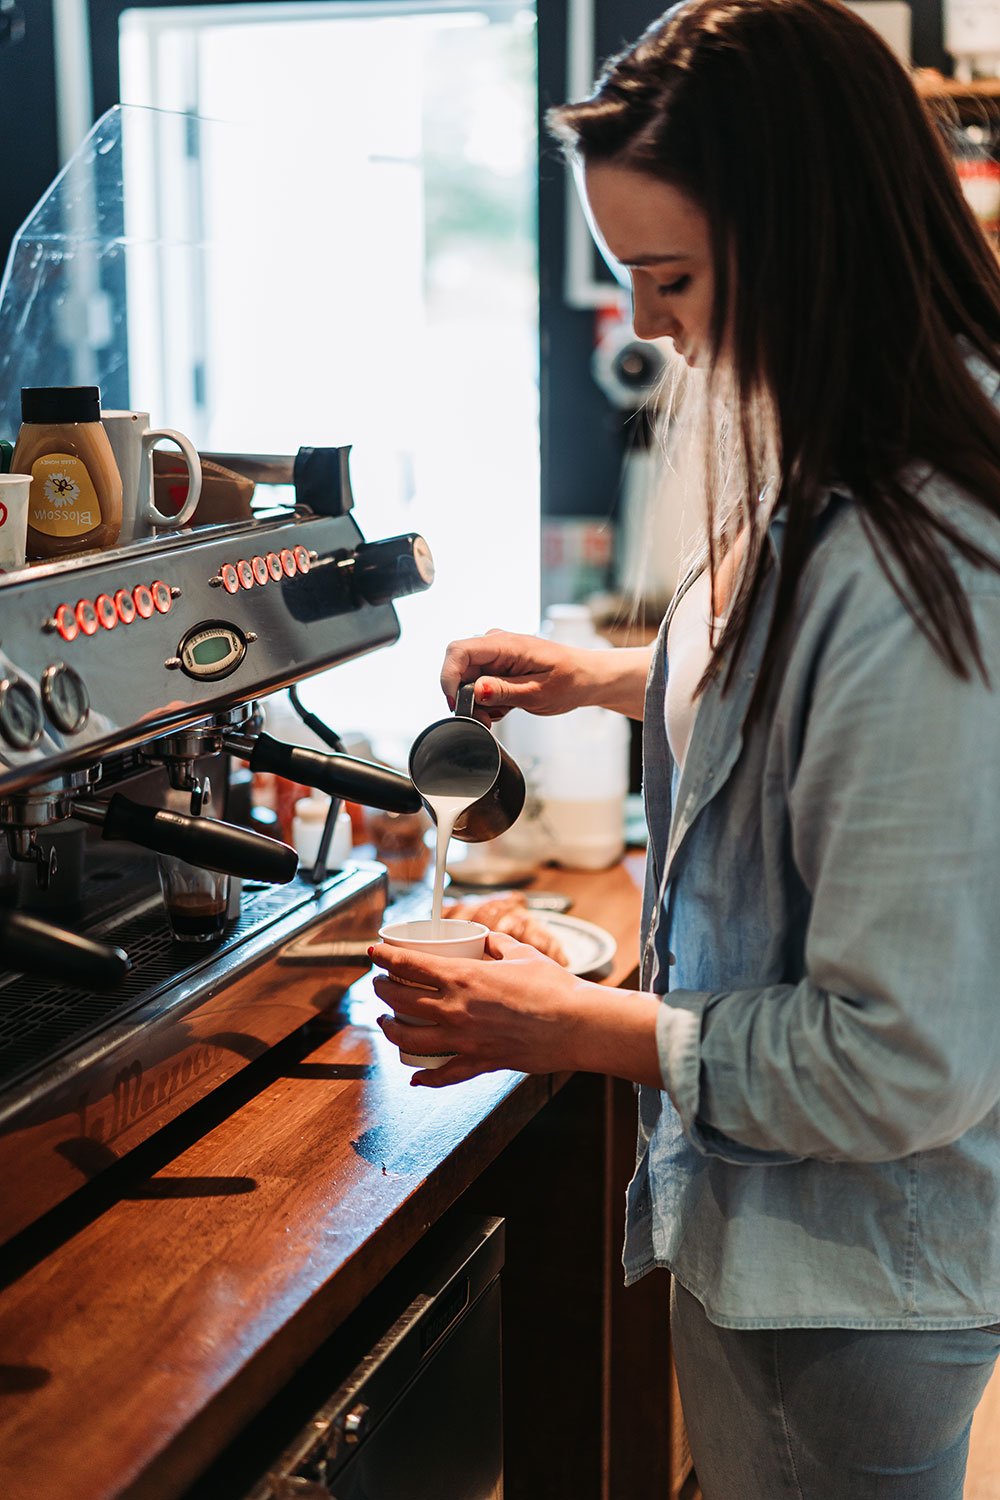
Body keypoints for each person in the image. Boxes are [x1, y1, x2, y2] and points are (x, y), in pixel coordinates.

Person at [370, 1, 1000, 1493]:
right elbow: (834, 704)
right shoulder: (858, 442)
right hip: (784, 1232)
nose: (650, 325)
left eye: (672, 277)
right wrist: (621, 681)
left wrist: (566, 1025)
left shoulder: (928, 558)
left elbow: (898, 1062)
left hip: (847, 1273)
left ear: (812, 240)